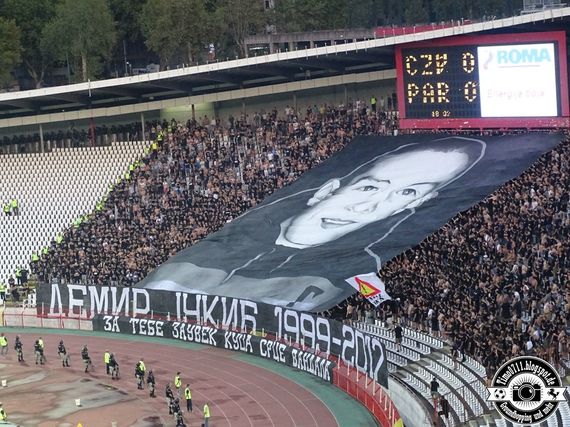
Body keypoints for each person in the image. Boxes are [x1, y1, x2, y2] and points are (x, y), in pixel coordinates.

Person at [140, 137, 485, 311]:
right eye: (369, 187)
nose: (368, 206)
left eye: (406, 192)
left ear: (412, 205)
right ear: (328, 188)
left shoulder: (354, 268)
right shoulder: (234, 237)